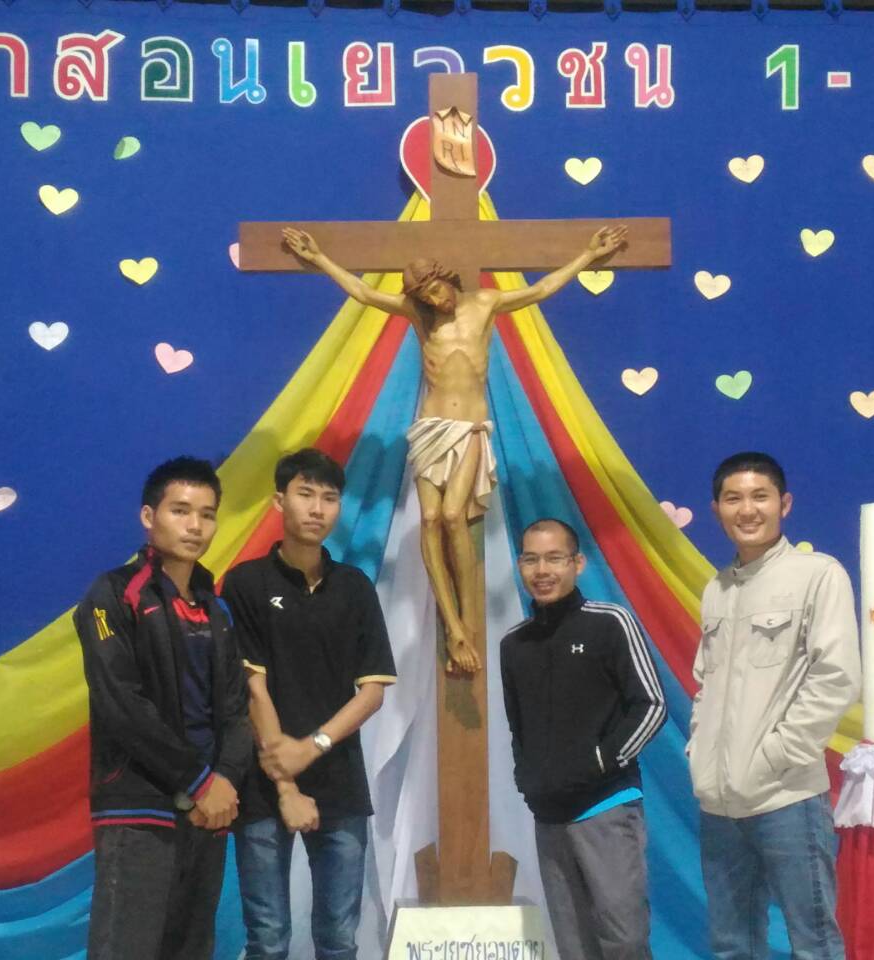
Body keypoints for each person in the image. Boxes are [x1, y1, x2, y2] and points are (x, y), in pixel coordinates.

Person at [280, 225, 626, 676]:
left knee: (451, 516)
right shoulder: (420, 316)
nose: (434, 300)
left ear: (447, 278)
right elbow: (364, 293)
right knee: (429, 519)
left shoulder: (485, 303)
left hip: (469, 430)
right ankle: (453, 624)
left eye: (436, 289)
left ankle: (467, 617)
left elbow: (540, 289)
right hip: (431, 428)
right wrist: (319, 259)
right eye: (424, 296)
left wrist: (588, 255)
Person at [72, 456, 252, 960]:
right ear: (149, 517)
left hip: (209, 810)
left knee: (191, 949)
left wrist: (225, 781)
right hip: (139, 804)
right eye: (181, 510)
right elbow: (121, 705)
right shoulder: (112, 595)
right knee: (126, 948)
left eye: (207, 514)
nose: (195, 526)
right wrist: (198, 782)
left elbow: (236, 710)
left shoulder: (216, 607)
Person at [222, 448, 396, 960]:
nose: (317, 509)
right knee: (268, 938)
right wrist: (286, 783)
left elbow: (372, 692)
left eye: (329, 498)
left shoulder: (355, 587)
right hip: (263, 784)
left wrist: (313, 746)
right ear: (279, 502)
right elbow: (252, 687)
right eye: (305, 494)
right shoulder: (246, 583)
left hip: (341, 784)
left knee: (339, 939)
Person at [690, 452, 861, 960]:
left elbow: (836, 676)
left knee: (813, 943)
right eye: (733, 498)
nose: (747, 510)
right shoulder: (716, 588)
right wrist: (700, 752)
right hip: (718, 805)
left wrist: (776, 756)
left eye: (759, 496)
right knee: (732, 945)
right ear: (717, 509)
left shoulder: (818, 575)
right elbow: (706, 684)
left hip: (787, 797)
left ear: (784, 504)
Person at [500, 518, 666, 960]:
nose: (542, 570)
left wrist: (599, 762)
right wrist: (527, 777)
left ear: (577, 563)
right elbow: (518, 726)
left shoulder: (610, 622)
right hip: (548, 816)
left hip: (605, 807)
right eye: (531, 559)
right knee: (574, 947)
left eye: (555, 558)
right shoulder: (513, 644)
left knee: (624, 940)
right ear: (520, 565)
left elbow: (651, 705)